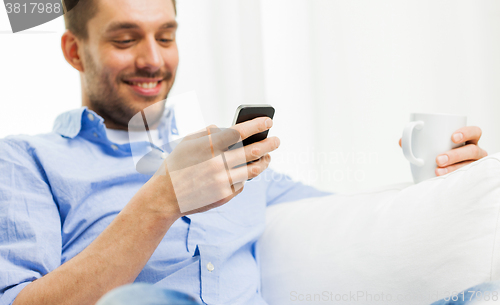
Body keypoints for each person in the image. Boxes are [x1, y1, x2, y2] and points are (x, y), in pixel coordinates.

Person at [0, 0, 489, 304]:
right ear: (73, 50)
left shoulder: (224, 162)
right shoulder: (28, 162)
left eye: (166, 36)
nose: (152, 59)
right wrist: (161, 200)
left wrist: (444, 179)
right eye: (125, 39)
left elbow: (353, 218)